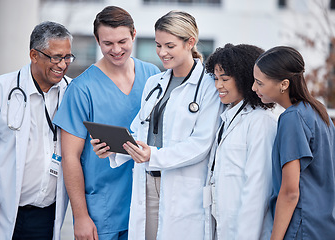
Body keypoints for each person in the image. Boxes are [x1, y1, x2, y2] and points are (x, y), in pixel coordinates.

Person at [92, 10, 222, 240]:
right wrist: (113, 147)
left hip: (183, 189)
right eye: (158, 45)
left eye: (169, 46)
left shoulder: (209, 87)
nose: (162, 52)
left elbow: (201, 144)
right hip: (148, 184)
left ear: (190, 42)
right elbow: (139, 131)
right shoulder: (155, 83)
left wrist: (153, 155)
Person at [53, 6, 160, 240]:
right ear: (97, 40)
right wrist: (80, 216)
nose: (116, 50)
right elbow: (70, 157)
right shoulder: (82, 89)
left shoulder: (152, 76)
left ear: (134, 35)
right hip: (103, 210)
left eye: (122, 41)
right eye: (108, 43)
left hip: (147, 203)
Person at [0, 21, 74, 239]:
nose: (63, 64)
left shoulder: (72, 92)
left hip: (48, 215)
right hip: (0, 212)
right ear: (34, 55)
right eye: (56, 57)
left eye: (67, 57)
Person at [252, 46, 335, 240]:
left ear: (284, 84)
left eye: (259, 83)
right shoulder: (318, 111)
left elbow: (290, 192)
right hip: (323, 226)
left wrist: (275, 238)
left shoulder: (292, 118)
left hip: (302, 227)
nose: (254, 88)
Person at [203, 43, 277, 240]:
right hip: (222, 225)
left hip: (246, 230)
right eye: (216, 79)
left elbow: (258, 189)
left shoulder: (261, 122)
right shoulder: (226, 118)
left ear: (245, 79)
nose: (218, 85)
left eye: (225, 79)